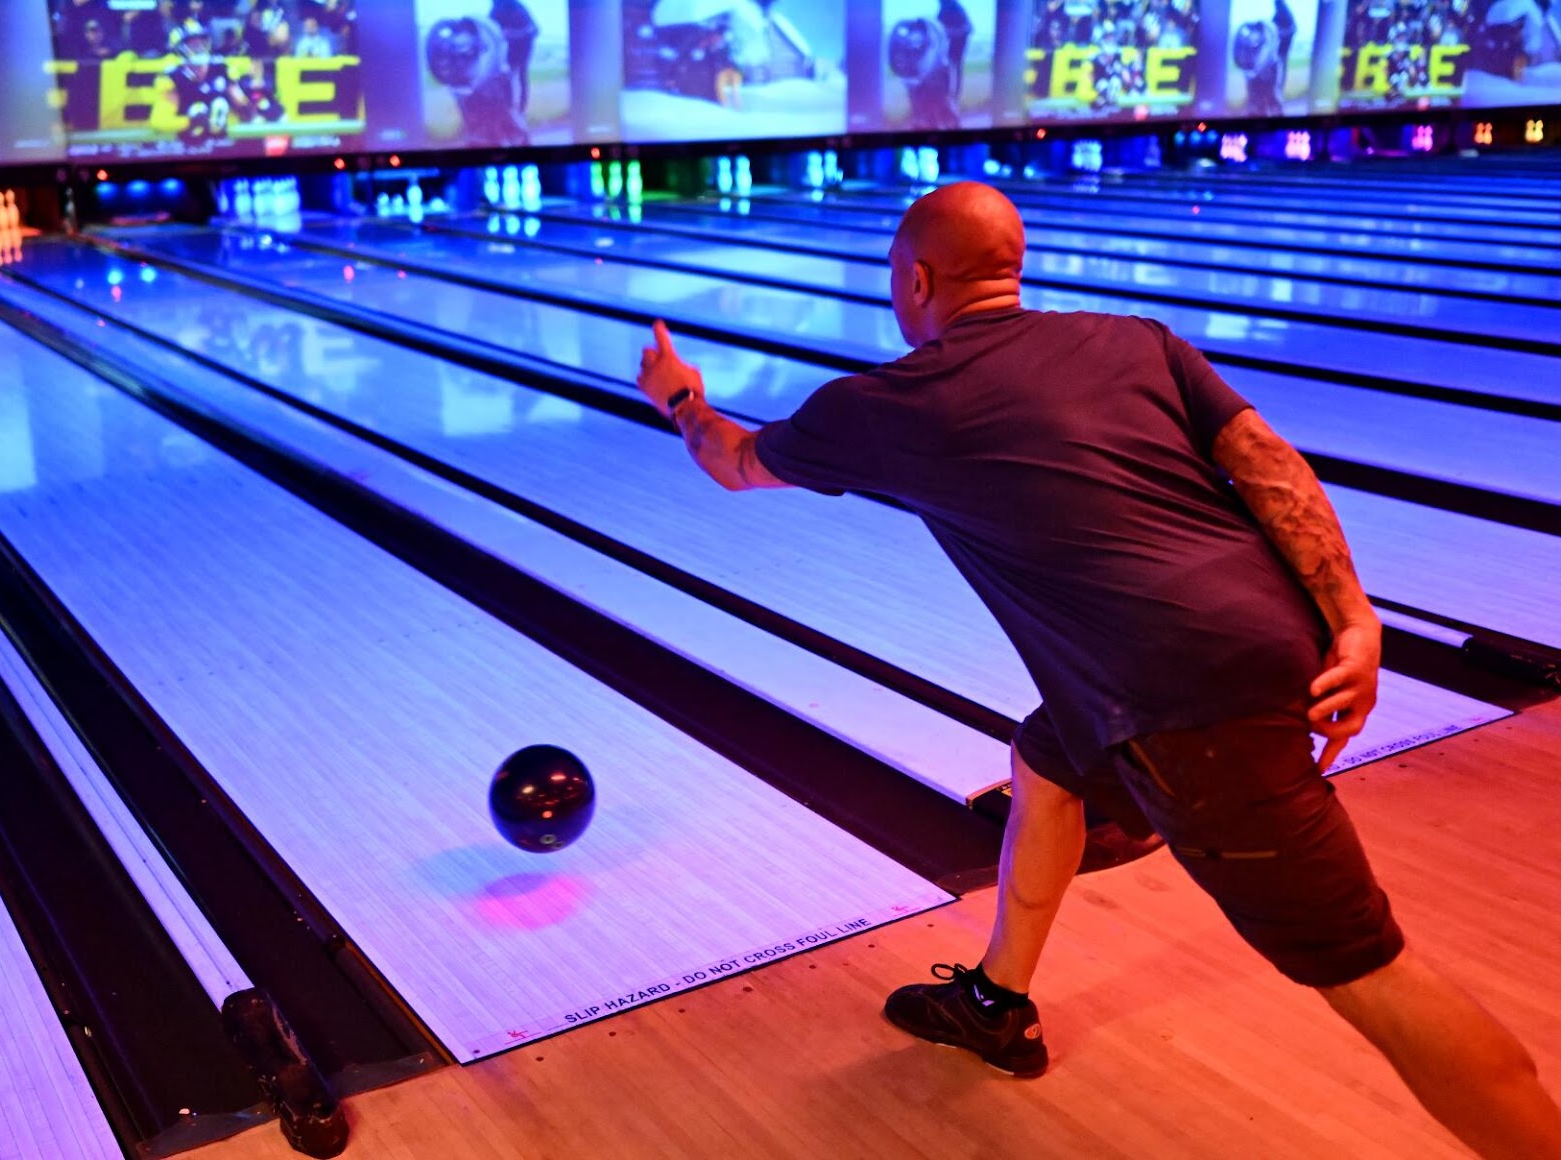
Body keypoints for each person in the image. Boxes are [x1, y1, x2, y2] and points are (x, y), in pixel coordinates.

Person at [634, 182, 1561, 1159]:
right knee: (1047, 758)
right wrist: (1353, 617)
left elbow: (734, 461)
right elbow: (1269, 462)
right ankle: (997, 1002)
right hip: (1270, 639)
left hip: (1187, 709)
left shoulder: (889, 404)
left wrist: (681, 396)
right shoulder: (1137, 341)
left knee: (1371, 972)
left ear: (917, 280)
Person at [490, 0, 539, 120]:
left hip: (522, 49)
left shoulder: (517, 7)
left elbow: (535, 29)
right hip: (505, 52)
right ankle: (507, 112)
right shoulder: (496, 9)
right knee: (504, 80)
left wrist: (514, 34)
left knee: (520, 78)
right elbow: (491, 30)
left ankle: (520, 112)